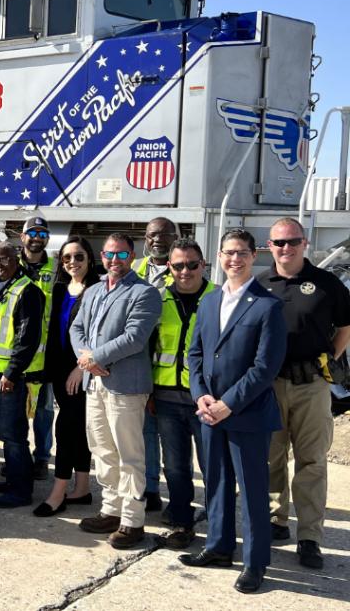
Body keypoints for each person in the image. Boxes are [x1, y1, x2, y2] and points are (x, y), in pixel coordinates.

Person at [181, 229, 286, 595]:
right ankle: (218, 547)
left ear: (253, 255)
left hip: (247, 414)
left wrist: (228, 403)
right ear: (219, 256)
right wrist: (202, 397)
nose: (234, 260)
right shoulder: (209, 302)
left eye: (241, 253)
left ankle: (255, 563)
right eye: (228, 253)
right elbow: (195, 354)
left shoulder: (268, 306)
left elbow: (265, 367)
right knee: (217, 483)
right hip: (210, 412)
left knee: (253, 491)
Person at [257, 217, 350, 570]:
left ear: (305, 243)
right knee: (271, 456)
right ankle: (276, 521)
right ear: (270, 246)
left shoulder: (327, 284)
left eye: (292, 241)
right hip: (270, 384)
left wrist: (331, 359)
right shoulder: (261, 283)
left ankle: (310, 537)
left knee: (311, 462)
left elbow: (345, 326)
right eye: (278, 243)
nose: (286, 248)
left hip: (311, 386)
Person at [69, 233, 161, 549]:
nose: (114, 261)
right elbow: (76, 328)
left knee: (129, 455)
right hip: (94, 383)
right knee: (102, 450)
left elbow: (135, 337)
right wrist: (87, 359)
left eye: (121, 255)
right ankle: (111, 510)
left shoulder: (144, 293)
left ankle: (133, 521)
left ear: (132, 256)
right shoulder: (94, 290)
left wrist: (95, 357)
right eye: (109, 254)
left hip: (127, 388)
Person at [152, 238, 214, 549]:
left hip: (206, 400)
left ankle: (218, 528)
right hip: (165, 398)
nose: (185, 271)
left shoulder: (219, 298)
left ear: (203, 265)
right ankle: (181, 523)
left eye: (192, 264)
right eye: (178, 265)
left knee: (213, 465)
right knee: (174, 466)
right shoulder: (159, 299)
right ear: (169, 267)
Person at [34, 236, 97, 517]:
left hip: (81, 370)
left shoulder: (96, 289)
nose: (73, 262)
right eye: (67, 257)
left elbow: (99, 333)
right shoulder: (60, 289)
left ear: (90, 259)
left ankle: (58, 492)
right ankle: (82, 487)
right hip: (59, 369)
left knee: (65, 428)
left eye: (79, 257)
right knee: (77, 429)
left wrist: (80, 367)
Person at [0, 241, 44, 509]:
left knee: (15, 435)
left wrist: (12, 372)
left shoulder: (27, 291)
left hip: (10, 377)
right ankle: (14, 478)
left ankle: (20, 491)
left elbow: (27, 338)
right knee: (4, 432)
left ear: (16, 259)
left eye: (4, 259)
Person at [133, 217, 178, 511]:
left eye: (164, 234)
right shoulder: (134, 269)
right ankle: (150, 489)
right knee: (145, 433)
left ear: (177, 236)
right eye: (152, 235)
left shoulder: (185, 269)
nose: (157, 240)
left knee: (174, 442)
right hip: (139, 368)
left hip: (174, 373)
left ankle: (179, 496)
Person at [18, 216, 56, 480]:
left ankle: (41, 458)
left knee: (43, 411)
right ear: (23, 237)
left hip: (46, 353)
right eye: (32, 233)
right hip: (17, 353)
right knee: (15, 411)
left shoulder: (56, 268)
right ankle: (17, 455)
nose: (37, 238)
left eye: (42, 234)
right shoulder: (10, 264)